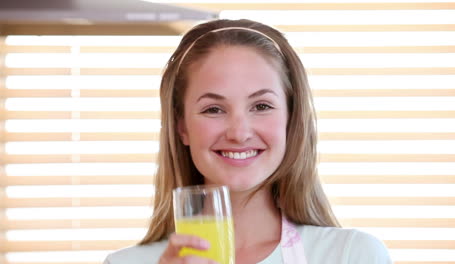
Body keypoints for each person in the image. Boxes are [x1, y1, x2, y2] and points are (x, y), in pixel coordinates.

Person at [104, 18, 392, 264]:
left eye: (262, 106)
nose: (239, 133)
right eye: (213, 109)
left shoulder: (352, 255)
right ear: (182, 128)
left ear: (291, 119)